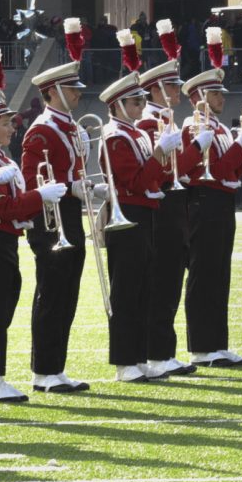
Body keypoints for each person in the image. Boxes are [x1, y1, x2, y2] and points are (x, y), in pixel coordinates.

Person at [0, 64, 62, 403]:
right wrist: (39, 197)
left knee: (2, 306)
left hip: (2, 239)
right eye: (6, 124)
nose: (11, 129)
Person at [179, 28, 242, 367]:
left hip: (223, 202)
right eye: (215, 93)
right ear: (199, 96)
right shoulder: (193, 126)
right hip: (204, 201)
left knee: (220, 273)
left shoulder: (221, 128)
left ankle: (217, 343)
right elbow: (215, 170)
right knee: (204, 272)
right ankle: (201, 346)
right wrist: (241, 147)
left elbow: (231, 171)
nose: (222, 98)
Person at [20, 46, 92, 392]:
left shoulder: (70, 127)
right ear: (53, 92)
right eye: (71, 88)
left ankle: (56, 367)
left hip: (69, 215)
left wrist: (85, 185)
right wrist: (71, 186)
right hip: (49, 220)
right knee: (52, 294)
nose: (78, 93)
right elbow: (32, 177)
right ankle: (43, 370)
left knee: (67, 294)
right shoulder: (42, 129)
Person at [97, 58, 172, 383]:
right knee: (127, 291)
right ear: (118, 105)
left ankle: (138, 356)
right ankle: (124, 361)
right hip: (127, 214)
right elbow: (135, 180)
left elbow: (154, 180)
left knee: (144, 288)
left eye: (143, 100)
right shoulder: (115, 136)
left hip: (145, 213)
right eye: (136, 101)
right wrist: (159, 156)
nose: (143, 105)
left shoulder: (135, 133)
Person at [135, 54, 200, 376]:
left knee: (171, 281)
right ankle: (157, 353)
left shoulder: (167, 121)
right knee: (162, 283)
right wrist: (197, 148)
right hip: (162, 209)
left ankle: (163, 351)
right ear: (157, 89)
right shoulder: (149, 123)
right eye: (171, 85)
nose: (177, 90)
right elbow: (167, 171)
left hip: (175, 207)